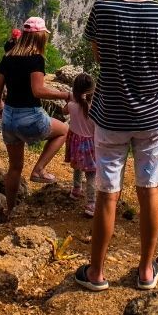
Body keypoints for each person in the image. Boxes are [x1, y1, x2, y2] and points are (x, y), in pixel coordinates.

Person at [75, 0, 158, 294]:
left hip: (110, 116)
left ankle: (96, 272)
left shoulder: (102, 9)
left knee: (107, 194)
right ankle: (146, 271)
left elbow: (99, 56)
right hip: (153, 117)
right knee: (150, 191)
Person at [0, 17, 70, 217]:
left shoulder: (8, 56)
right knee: (64, 131)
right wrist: (66, 95)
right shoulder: (36, 58)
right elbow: (38, 90)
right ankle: (39, 169)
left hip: (9, 117)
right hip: (29, 116)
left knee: (14, 167)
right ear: (40, 36)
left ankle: (10, 209)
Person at [65, 73, 97, 217]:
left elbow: (63, 110)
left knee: (77, 167)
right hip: (90, 146)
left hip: (76, 144)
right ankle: (91, 203)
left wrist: (72, 97)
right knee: (91, 174)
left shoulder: (71, 106)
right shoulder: (95, 109)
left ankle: (76, 189)